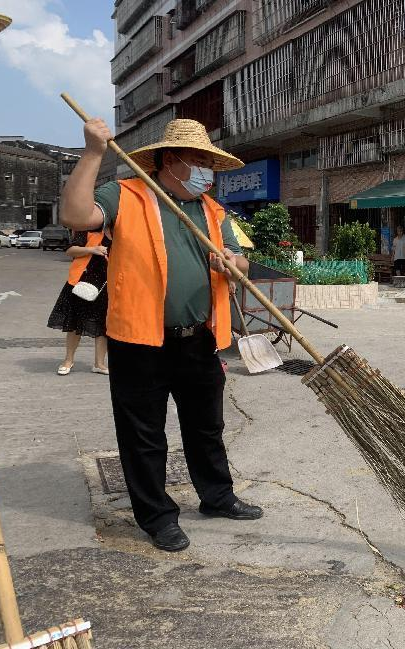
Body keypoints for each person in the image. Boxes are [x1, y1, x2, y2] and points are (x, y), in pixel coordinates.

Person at [60, 117, 262, 553]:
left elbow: (240, 261)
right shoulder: (126, 195)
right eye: (199, 160)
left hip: (200, 339)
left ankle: (217, 496)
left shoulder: (211, 209)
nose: (206, 169)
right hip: (140, 341)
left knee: (206, 426)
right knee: (144, 434)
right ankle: (156, 516)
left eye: (210, 162)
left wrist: (232, 264)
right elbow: (74, 216)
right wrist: (93, 152)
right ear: (171, 161)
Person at [47, 230, 110, 375]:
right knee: (74, 323)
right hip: (82, 283)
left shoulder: (118, 233)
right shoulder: (87, 230)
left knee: (102, 326)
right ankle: (68, 360)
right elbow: (70, 250)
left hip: (106, 286)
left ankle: (99, 364)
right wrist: (93, 249)